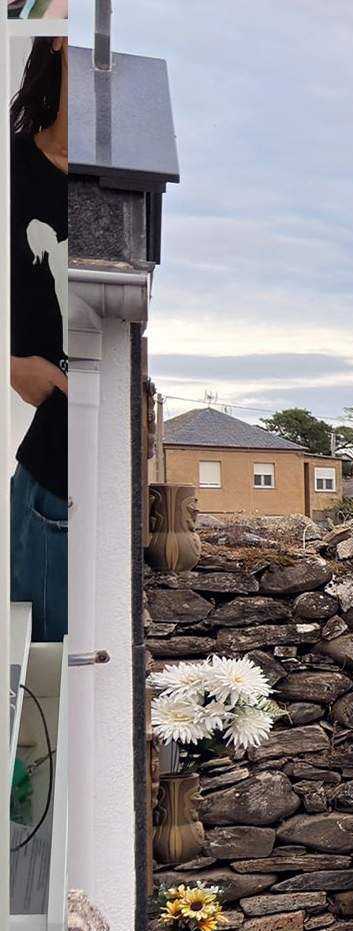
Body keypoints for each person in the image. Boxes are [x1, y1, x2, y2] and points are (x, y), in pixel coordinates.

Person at [10, 35, 68, 642]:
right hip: (50, 481)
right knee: (38, 697)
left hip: (97, 478)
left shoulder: (126, 171)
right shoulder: (12, 167)